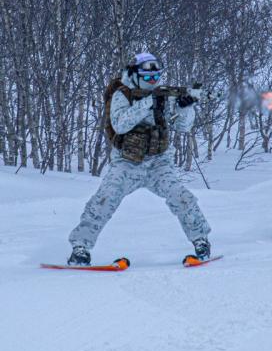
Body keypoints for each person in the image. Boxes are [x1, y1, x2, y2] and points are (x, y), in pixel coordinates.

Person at [67, 53, 211, 265]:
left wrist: (185, 107)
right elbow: (120, 124)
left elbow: (183, 127)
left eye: (156, 77)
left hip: (159, 163)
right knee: (105, 199)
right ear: (135, 75)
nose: (153, 82)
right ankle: (80, 247)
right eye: (147, 77)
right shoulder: (122, 95)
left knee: (181, 197)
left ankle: (201, 240)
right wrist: (146, 104)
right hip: (127, 162)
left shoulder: (164, 95)